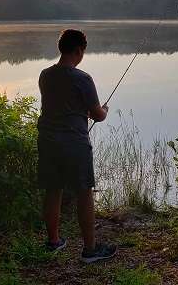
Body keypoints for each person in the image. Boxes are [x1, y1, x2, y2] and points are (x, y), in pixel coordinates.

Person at [37, 29, 117, 263]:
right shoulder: (83, 78)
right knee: (84, 194)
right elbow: (97, 114)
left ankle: (53, 242)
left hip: (48, 141)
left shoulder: (45, 75)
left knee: (53, 190)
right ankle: (90, 250)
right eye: (83, 52)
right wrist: (106, 110)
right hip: (74, 144)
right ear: (78, 51)